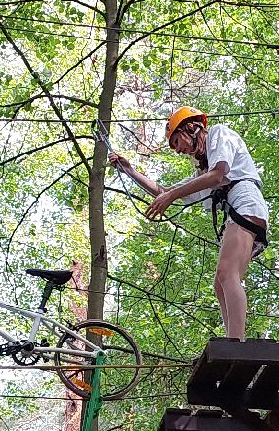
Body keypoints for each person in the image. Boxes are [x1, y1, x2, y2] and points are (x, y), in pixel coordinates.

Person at [108, 107, 268, 340]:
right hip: (239, 209)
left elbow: (217, 175)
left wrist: (170, 196)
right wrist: (129, 170)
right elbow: (165, 192)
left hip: (245, 202)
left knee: (227, 274)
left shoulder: (219, 134)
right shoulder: (202, 171)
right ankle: (234, 340)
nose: (178, 150)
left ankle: (236, 343)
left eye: (176, 141)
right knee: (221, 283)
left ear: (191, 127)